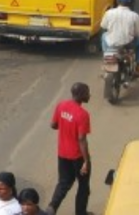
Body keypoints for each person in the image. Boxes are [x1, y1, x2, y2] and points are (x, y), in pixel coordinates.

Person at [46, 83, 92, 215]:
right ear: (82, 95)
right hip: (77, 157)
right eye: (87, 92)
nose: (89, 95)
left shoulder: (61, 105)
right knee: (83, 187)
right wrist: (86, 161)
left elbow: (53, 125)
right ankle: (80, 213)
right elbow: (82, 139)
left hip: (62, 154)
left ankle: (52, 208)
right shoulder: (82, 114)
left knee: (63, 183)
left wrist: (66, 127)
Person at [101, 0, 139, 76]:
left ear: (118, 1)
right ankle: (137, 67)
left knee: (103, 35)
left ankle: (106, 53)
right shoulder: (134, 16)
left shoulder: (109, 13)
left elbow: (103, 26)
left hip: (111, 43)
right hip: (128, 44)